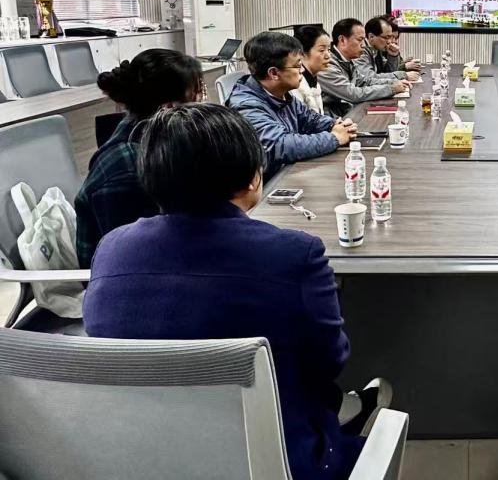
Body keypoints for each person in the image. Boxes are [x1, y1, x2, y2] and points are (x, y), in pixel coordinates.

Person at [83, 103, 365, 480]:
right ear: (253, 177)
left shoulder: (112, 249)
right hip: (276, 458)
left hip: (146, 457)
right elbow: (330, 360)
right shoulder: (294, 255)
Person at [73, 49, 205, 268]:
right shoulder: (127, 169)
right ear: (168, 108)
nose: (201, 104)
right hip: (127, 276)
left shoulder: (153, 138)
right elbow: (130, 256)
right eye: (195, 96)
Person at [229, 32, 357, 178]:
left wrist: (335, 125)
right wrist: (334, 138)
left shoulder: (282, 93)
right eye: (298, 66)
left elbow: (310, 119)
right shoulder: (246, 106)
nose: (302, 70)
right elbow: (280, 145)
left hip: (286, 173)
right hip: (266, 184)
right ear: (274, 73)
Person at [319, 18, 410, 116]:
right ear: (342, 40)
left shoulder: (347, 61)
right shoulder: (327, 65)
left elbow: (365, 81)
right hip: (335, 119)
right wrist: (391, 88)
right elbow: (352, 94)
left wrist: (393, 82)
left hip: (347, 113)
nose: (363, 45)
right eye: (360, 40)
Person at [358, 16, 419, 83]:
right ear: (371, 37)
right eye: (386, 37)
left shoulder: (376, 49)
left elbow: (386, 72)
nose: (390, 41)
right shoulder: (360, 51)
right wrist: (403, 75)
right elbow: (369, 78)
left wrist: (393, 56)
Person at [292, 25, 332, 114]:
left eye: (329, 49)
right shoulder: (295, 85)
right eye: (322, 50)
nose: (328, 55)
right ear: (302, 53)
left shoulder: (314, 80)